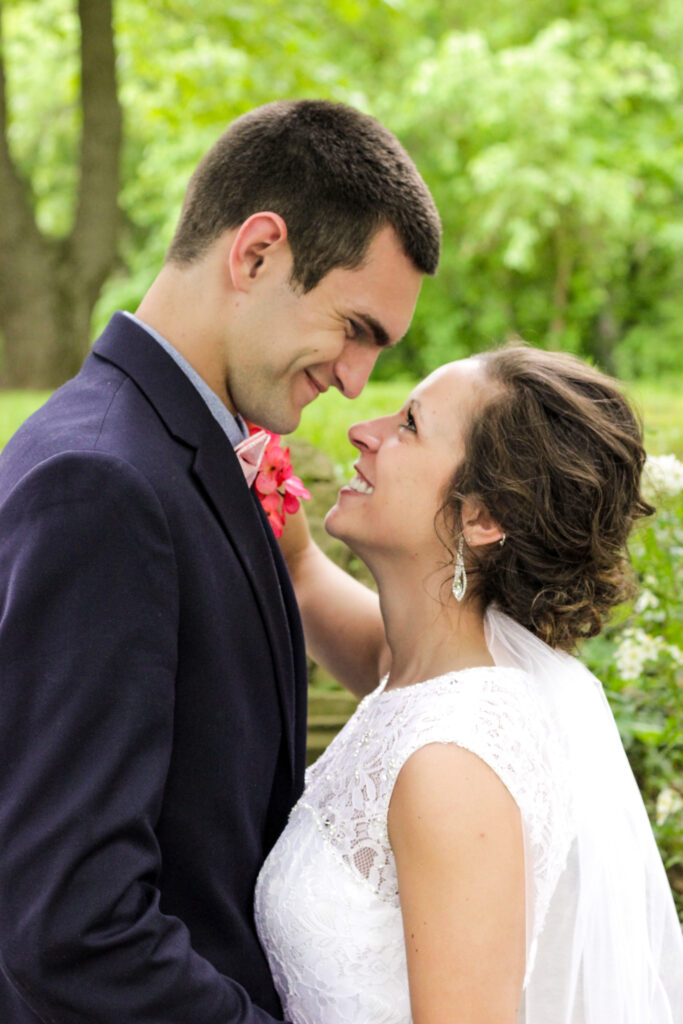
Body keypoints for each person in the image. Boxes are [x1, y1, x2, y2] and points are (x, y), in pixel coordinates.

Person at [0, 99, 440, 1023]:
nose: (356, 379)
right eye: (355, 327)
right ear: (256, 252)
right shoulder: (102, 482)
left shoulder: (170, 454)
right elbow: (73, 925)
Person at [255, 343, 683, 1024]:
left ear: (482, 518)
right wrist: (284, 523)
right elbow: (309, 581)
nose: (363, 431)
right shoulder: (422, 670)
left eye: (409, 426)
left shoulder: (451, 765)